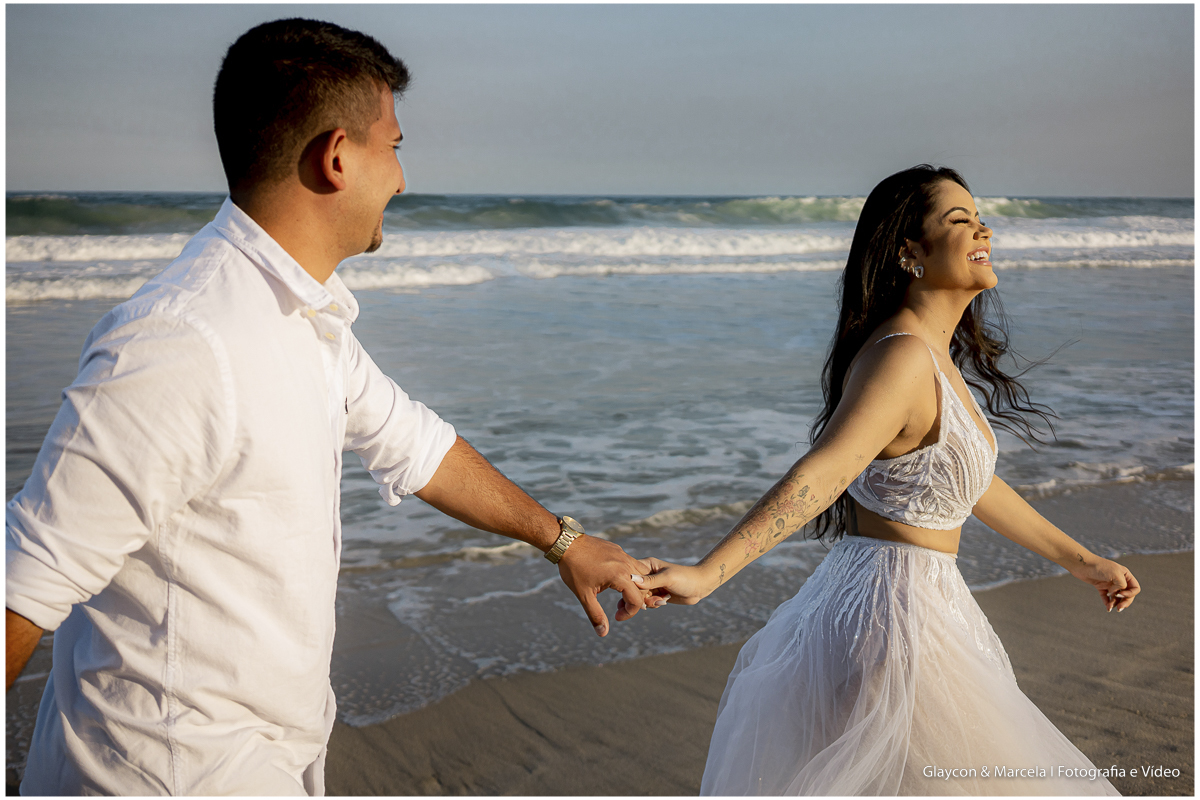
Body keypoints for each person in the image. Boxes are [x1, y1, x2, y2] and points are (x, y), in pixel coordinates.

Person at [5, 18, 659, 795]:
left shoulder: (302, 318)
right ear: (338, 156)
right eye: (395, 146)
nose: (403, 179)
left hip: (269, 757)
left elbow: (417, 445)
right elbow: (24, 586)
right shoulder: (176, 345)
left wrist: (564, 542)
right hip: (164, 772)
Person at [640, 165, 1139, 795]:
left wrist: (1083, 560)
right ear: (911, 251)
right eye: (959, 220)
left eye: (980, 216)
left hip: (908, 600)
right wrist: (707, 574)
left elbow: (970, 483)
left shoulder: (931, 355)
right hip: (890, 617)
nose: (982, 228)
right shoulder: (902, 355)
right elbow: (825, 471)